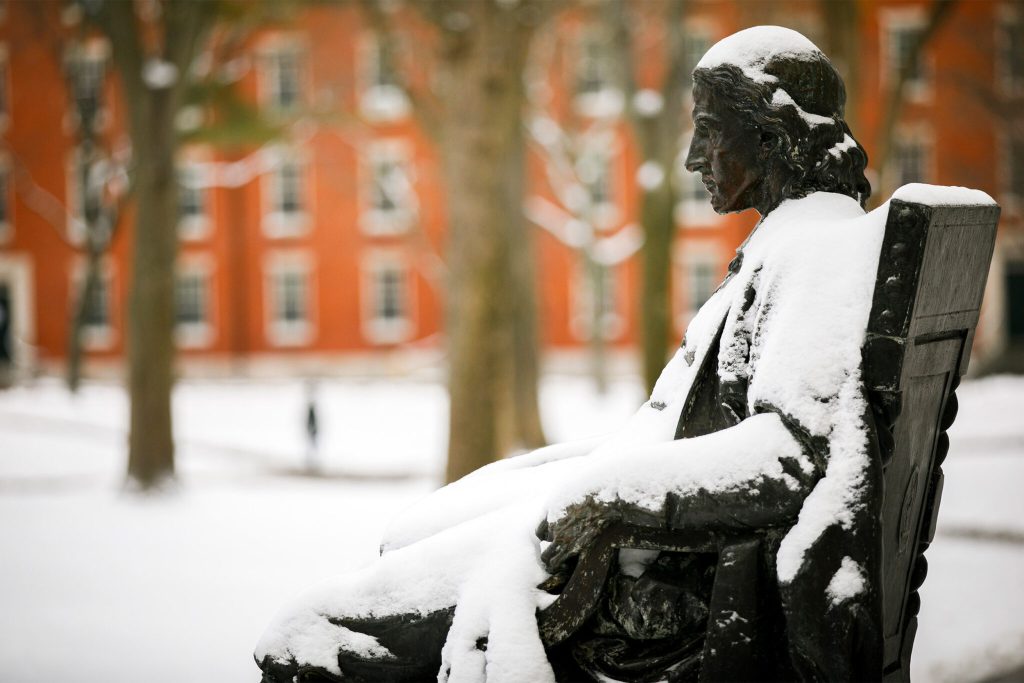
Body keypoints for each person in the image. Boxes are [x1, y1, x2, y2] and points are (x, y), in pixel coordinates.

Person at [257, 26, 884, 682]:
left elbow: (791, 460)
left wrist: (609, 492)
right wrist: (558, 476)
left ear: (772, 130)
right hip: (634, 538)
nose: (694, 157)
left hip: (651, 586)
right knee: (408, 536)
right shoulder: (795, 241)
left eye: (709, 129)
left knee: (309, 642)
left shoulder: (812, 252)